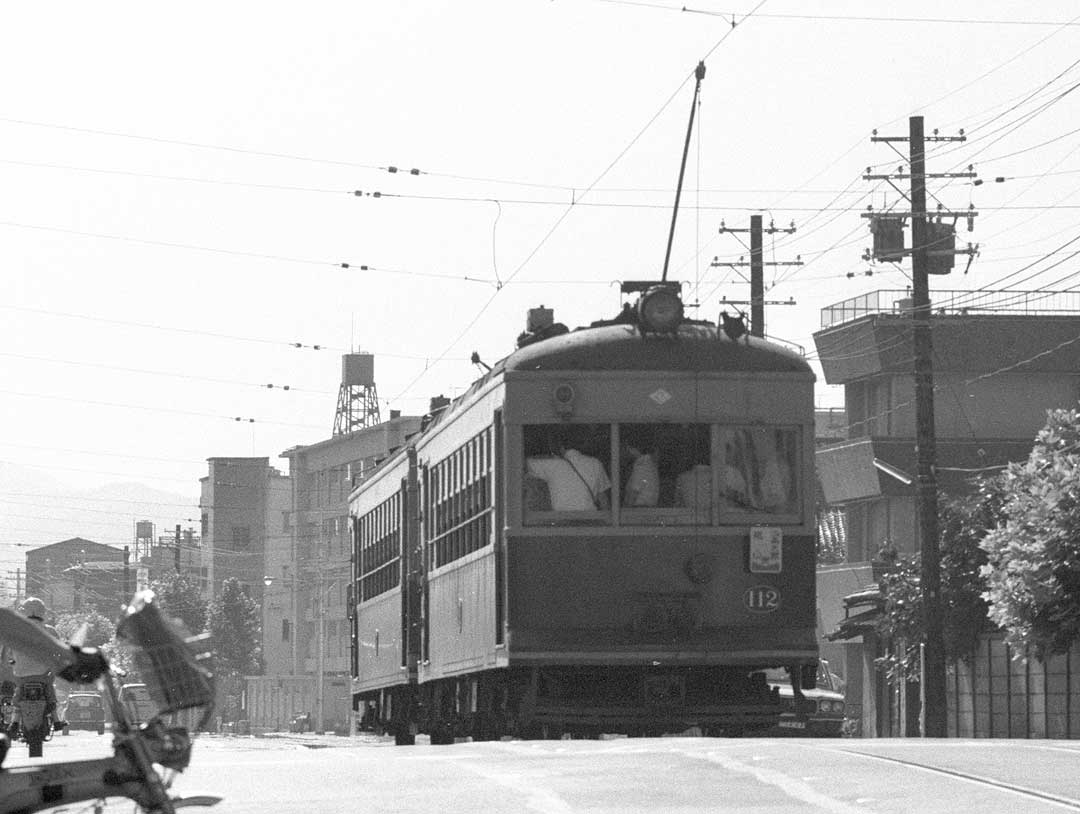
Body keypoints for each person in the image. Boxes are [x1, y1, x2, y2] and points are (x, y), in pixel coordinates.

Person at [8, 597, 64, 732]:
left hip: (21, 674)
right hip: (43, 673)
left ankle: (14, 722)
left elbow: (10, 653)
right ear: (42, 612)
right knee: (49, 691)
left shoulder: (16, 630)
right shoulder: (50, 631)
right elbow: (59, 651)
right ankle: (56, 721)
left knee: (19, 693)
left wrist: (14, 662)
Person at [526, 433, 611, 511]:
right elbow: (604, 500)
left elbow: (523, 463)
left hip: (562, 521)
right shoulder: (595, 463)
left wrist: (546, 456)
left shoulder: (552, 464)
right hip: (590, 520)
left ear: (561, 447)